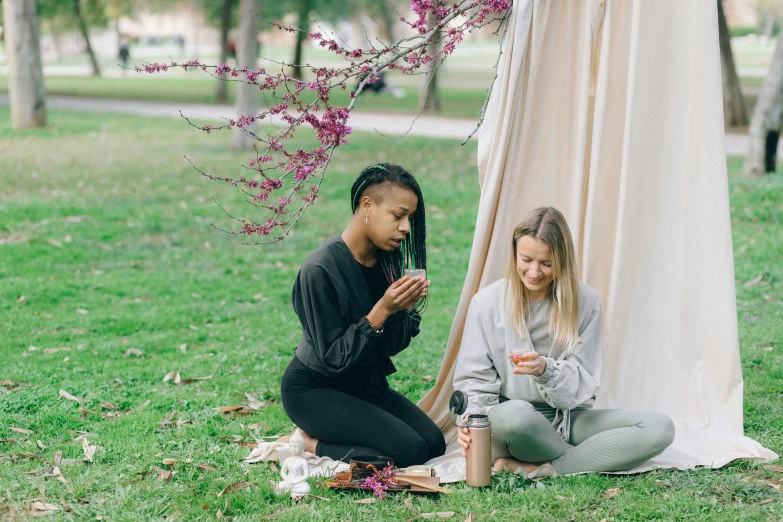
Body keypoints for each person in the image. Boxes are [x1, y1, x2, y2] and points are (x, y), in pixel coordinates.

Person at [454, 207, 674, 477]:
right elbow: (473, 382)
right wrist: (469, 421)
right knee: (515, 415)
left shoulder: (586, 301)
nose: (534, 272)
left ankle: (546, 469)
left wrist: (544, 370)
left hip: (568, 419)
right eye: (526, 259)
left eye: (546, 263)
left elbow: (580, 385)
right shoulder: (486, 303)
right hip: (511, 425)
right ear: (514, 255)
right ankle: (590, 456)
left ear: (563, 260)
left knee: (659, 427)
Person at [280, 163, 446, 468]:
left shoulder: (387, 261)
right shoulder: (319, 270)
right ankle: (310, 441)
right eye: (398, 216)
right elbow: (334, 358)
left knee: (433, 444)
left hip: (362, 386)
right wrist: (382, 309)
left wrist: (402, 309)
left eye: (410, 218)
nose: (406, 227)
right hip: (314, 390)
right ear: (367, 206)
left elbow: (390, 346)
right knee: (408, 451)